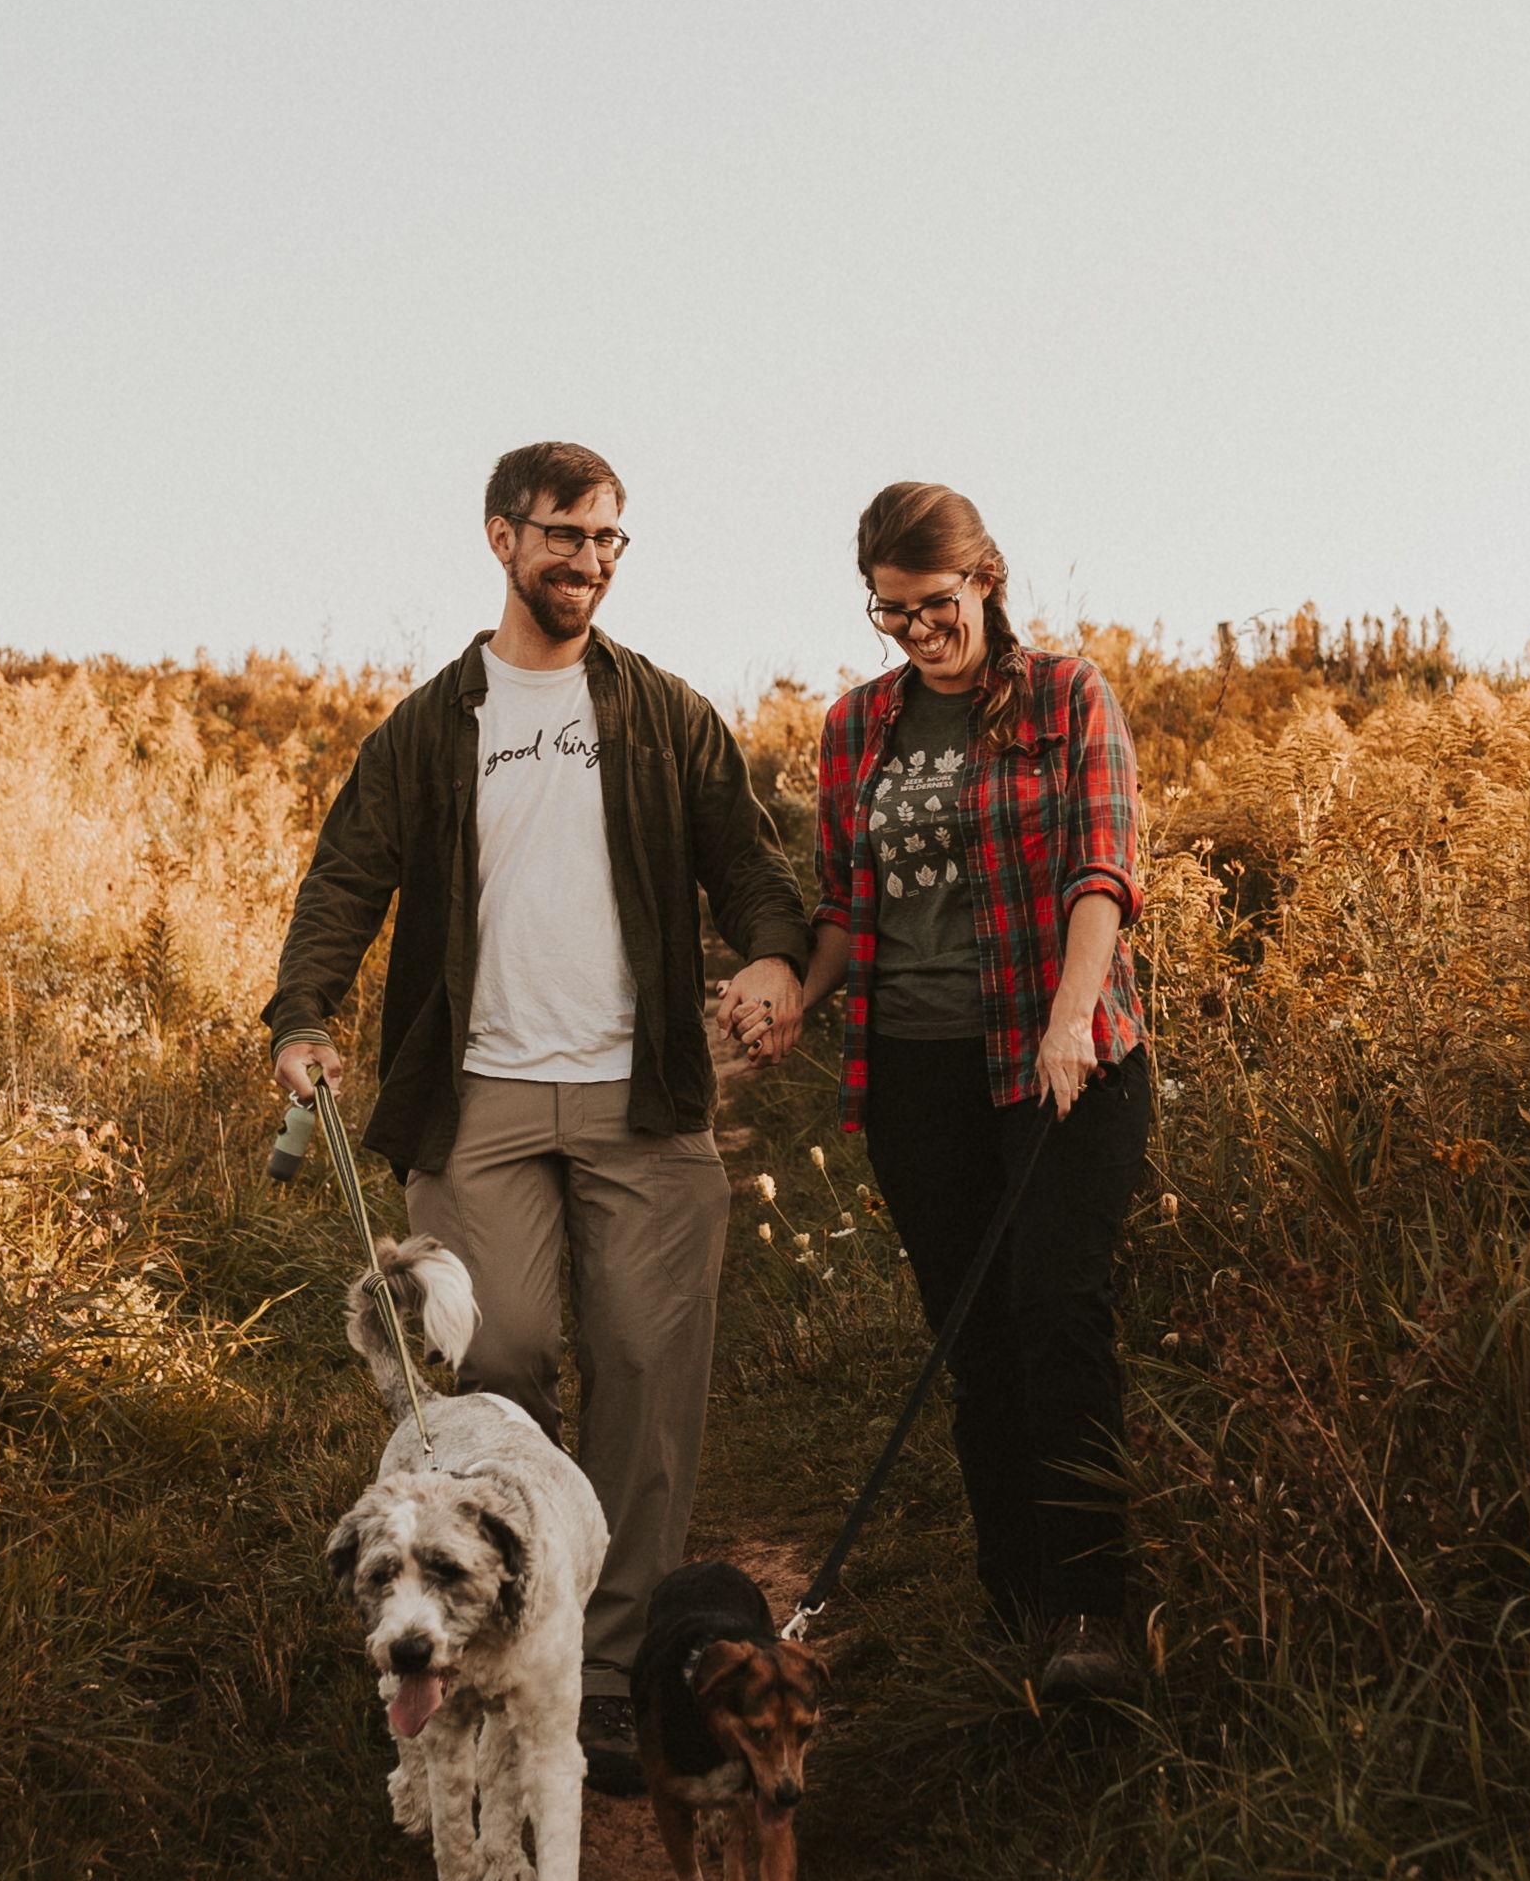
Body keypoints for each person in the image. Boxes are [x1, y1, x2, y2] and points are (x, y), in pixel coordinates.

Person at [263, 440, 811, 1802]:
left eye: (608, 538)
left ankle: (607, 1674)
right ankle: (499, 1639)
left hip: (643, 1093)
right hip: (478, 1096)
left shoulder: (664, 715)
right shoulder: (428, 727)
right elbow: (345, 877)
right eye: (564, 534)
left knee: (645, 1374)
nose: (588, 560)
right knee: (494, 1366)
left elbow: (749, 863)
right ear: (501, 537)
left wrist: (770, 957)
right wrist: (302, 1013)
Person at [779, 477, 1154, 1702]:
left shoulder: (1065, 694)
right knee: (973, 1338)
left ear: (984, 580)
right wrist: (791, 995)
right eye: (888, 611)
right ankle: (1015, 1602)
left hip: (1060, 1058)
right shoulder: (855, 726)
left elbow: (1101, 869)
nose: (915, 630)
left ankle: (1096, 1607)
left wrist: (1068, 1018)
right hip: (917, 1071)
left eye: (932, 602)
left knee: (1057, 1314)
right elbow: (844, 905)